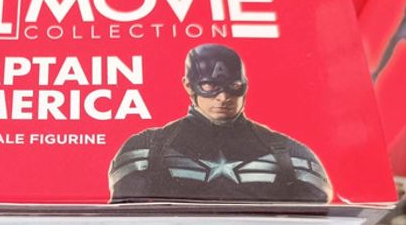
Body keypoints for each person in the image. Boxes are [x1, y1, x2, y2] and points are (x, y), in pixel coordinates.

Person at [109, 43, 332, 204]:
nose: (223, 97)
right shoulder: (148, 148)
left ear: (244, 85)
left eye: (233, 86)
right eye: (209, 86)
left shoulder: (289, 154)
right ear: (188, 85)